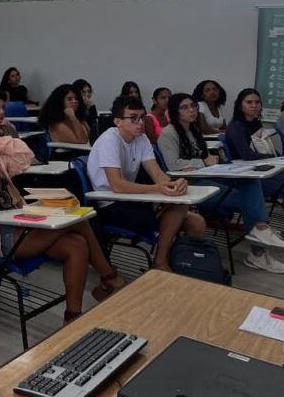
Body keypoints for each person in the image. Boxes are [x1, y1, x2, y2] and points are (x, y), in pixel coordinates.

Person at [0, 121, 126, 322]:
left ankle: (72, 316)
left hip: (21, 222)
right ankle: (109, 278)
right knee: (77, 221)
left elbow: (26, 156)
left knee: (77, 245)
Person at [158, 93, 284, 273]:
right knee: (250, 202)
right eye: (185, 107)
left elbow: (203, 159)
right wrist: (203, 162)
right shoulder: (168, 133)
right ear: (175, 111)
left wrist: (212, 162)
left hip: (206, 176)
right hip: (191, 186)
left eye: (193, 106)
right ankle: (259, 246)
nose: (192, 110)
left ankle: (260, 230)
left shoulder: (193, 130)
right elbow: (173, 166)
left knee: (250, 182)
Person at [88, 96, 206, 271]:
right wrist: (157, 188)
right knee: (181, 208)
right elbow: (117, 185)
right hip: (111, 204)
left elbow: (158, 174)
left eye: (142, 117)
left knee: (197, 223)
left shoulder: (141, 139)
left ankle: (185, 266)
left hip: (132, 200)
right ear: (118, 121)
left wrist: (175, 183)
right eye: (133, 118)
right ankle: (160, 261)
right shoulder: (109, 140)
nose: (140, 122)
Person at [225, 88, 284, 247]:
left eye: (257, 102)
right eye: (249, 102)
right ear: (240, 106)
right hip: (252, 177)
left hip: (268, 170)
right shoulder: (237, 126)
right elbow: (247, 155)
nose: (254, 105)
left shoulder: (256, 124)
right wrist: (278, 160)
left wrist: (279, 161)